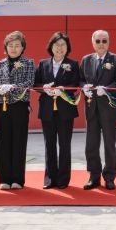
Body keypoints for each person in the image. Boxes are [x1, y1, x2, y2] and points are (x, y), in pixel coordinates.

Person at [34, 32, 81, 189]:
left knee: (64, 145)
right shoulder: (43, 63)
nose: (59, 48)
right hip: (47, 109)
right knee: (49, 144)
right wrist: (44, 88)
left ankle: (63, 179)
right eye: (56, 45)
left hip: (65, 110)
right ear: (51, 47)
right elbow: (35, 84)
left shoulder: (73, 64)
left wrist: (63, 89)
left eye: (63, 45)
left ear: (67, 48)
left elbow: (76, 84)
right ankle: (49, 178)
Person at [80, 30, 116, 190]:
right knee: (91, 144)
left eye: (104, 41)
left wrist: (106, 89)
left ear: (108, 42)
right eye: (98, 41)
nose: (101, 44)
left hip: (109, 108)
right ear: (93, 43)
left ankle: (109, 177)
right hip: (91, 106)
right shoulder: (86, 60)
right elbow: (80, 79)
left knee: (109, 144)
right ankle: (94, 176)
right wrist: (83, 87)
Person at [0, 30, 35, 190]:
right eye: (10, 45)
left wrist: (12, 87)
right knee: (3, 142)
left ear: (22, 47)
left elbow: (30, 82)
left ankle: (17, 179)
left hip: (20, 106)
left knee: (19, 141)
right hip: (3, 106)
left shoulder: (28, 63)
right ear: (6, 47)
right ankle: (4, 179)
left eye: (17, 45)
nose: (14, 48)